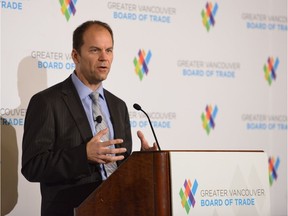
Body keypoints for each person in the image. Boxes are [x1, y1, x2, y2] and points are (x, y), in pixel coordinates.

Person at [21, 20, 157, 216]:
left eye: (109, 50)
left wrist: (142, 162)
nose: (104, 58)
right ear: (76, 55)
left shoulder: (118, 106)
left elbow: (119, 166)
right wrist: (82, 155)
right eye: (95, 50)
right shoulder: (47, 102)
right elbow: (33, 166)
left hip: (118, 208)